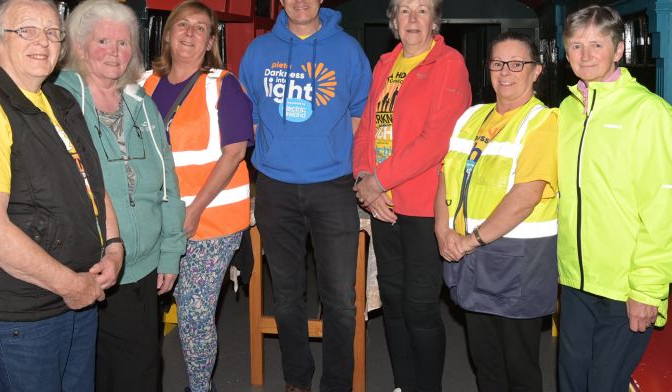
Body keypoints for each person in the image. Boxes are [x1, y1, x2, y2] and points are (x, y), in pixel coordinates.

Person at [0, 0, 123, 390]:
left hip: (78, 294)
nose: (43, 42)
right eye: (27, 30)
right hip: (24, 313)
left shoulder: (60, 100)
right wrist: (69, 285)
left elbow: (93, 182)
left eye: (53, 32)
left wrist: (113, 245)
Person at [52, 0, 188, 390]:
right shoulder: (58, 100)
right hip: (82, 268)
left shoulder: (141, 102)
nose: (115, 51)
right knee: (85, 376)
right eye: (102, 40)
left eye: (124, 42)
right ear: (79, 45)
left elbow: (168, 181)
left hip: (141, 267)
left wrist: (170, 251)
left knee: (140, 372)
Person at [239, 0, 371, 390]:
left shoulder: (347, 50)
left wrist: (351, 168)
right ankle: (297, 379)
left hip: (333, 187)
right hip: (275, 187)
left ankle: (337, 384)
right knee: (286, 295)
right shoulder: (259, 51)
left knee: (340, 300)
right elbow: (249, 115)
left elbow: (360, 116)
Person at [352, 0, 470, 390]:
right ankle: (404, 384)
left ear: (435, 20)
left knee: (420, 307)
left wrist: (377, 181)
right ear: (394, 20)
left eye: (422, 10)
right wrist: (364, 177)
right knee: (395, 303)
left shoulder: (449, 63)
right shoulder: (385, 64)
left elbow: (436, 140)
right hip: (383, 205)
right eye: (404, 10)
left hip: (423, 205)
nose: (413, 18)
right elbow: (367, 128)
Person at [434, 31, 558, 392]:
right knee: (485, 363)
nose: (506, 72)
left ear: (536, 71)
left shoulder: (542, 121)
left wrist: (469, 241)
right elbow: (446, 176)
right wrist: (442, 231)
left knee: (518, 368)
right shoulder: (472, 116)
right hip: (471, 258)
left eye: (517, 64)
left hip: (516, 262)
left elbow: (526, 196)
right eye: (497, 63)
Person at [557, 6, 672, 391]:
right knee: (572, 383)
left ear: (618, 49)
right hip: (575, 283)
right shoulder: (568, 112)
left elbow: (663, 208)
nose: (585, 55)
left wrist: (647, 289)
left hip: (624, 288)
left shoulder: (649, 112)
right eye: (576, 45)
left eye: (596, 44)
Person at [143, 1, 253, 391]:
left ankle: (200, 387)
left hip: (210, 222)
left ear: (210, 42)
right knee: (143, 312)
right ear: (168, 33)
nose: (189, 34)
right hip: (153, 221)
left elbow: (235, 152)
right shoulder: (144, 85)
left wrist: (195, 209)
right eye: (182, 25)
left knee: (193, 314)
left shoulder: (224, 85)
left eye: (200, 29)